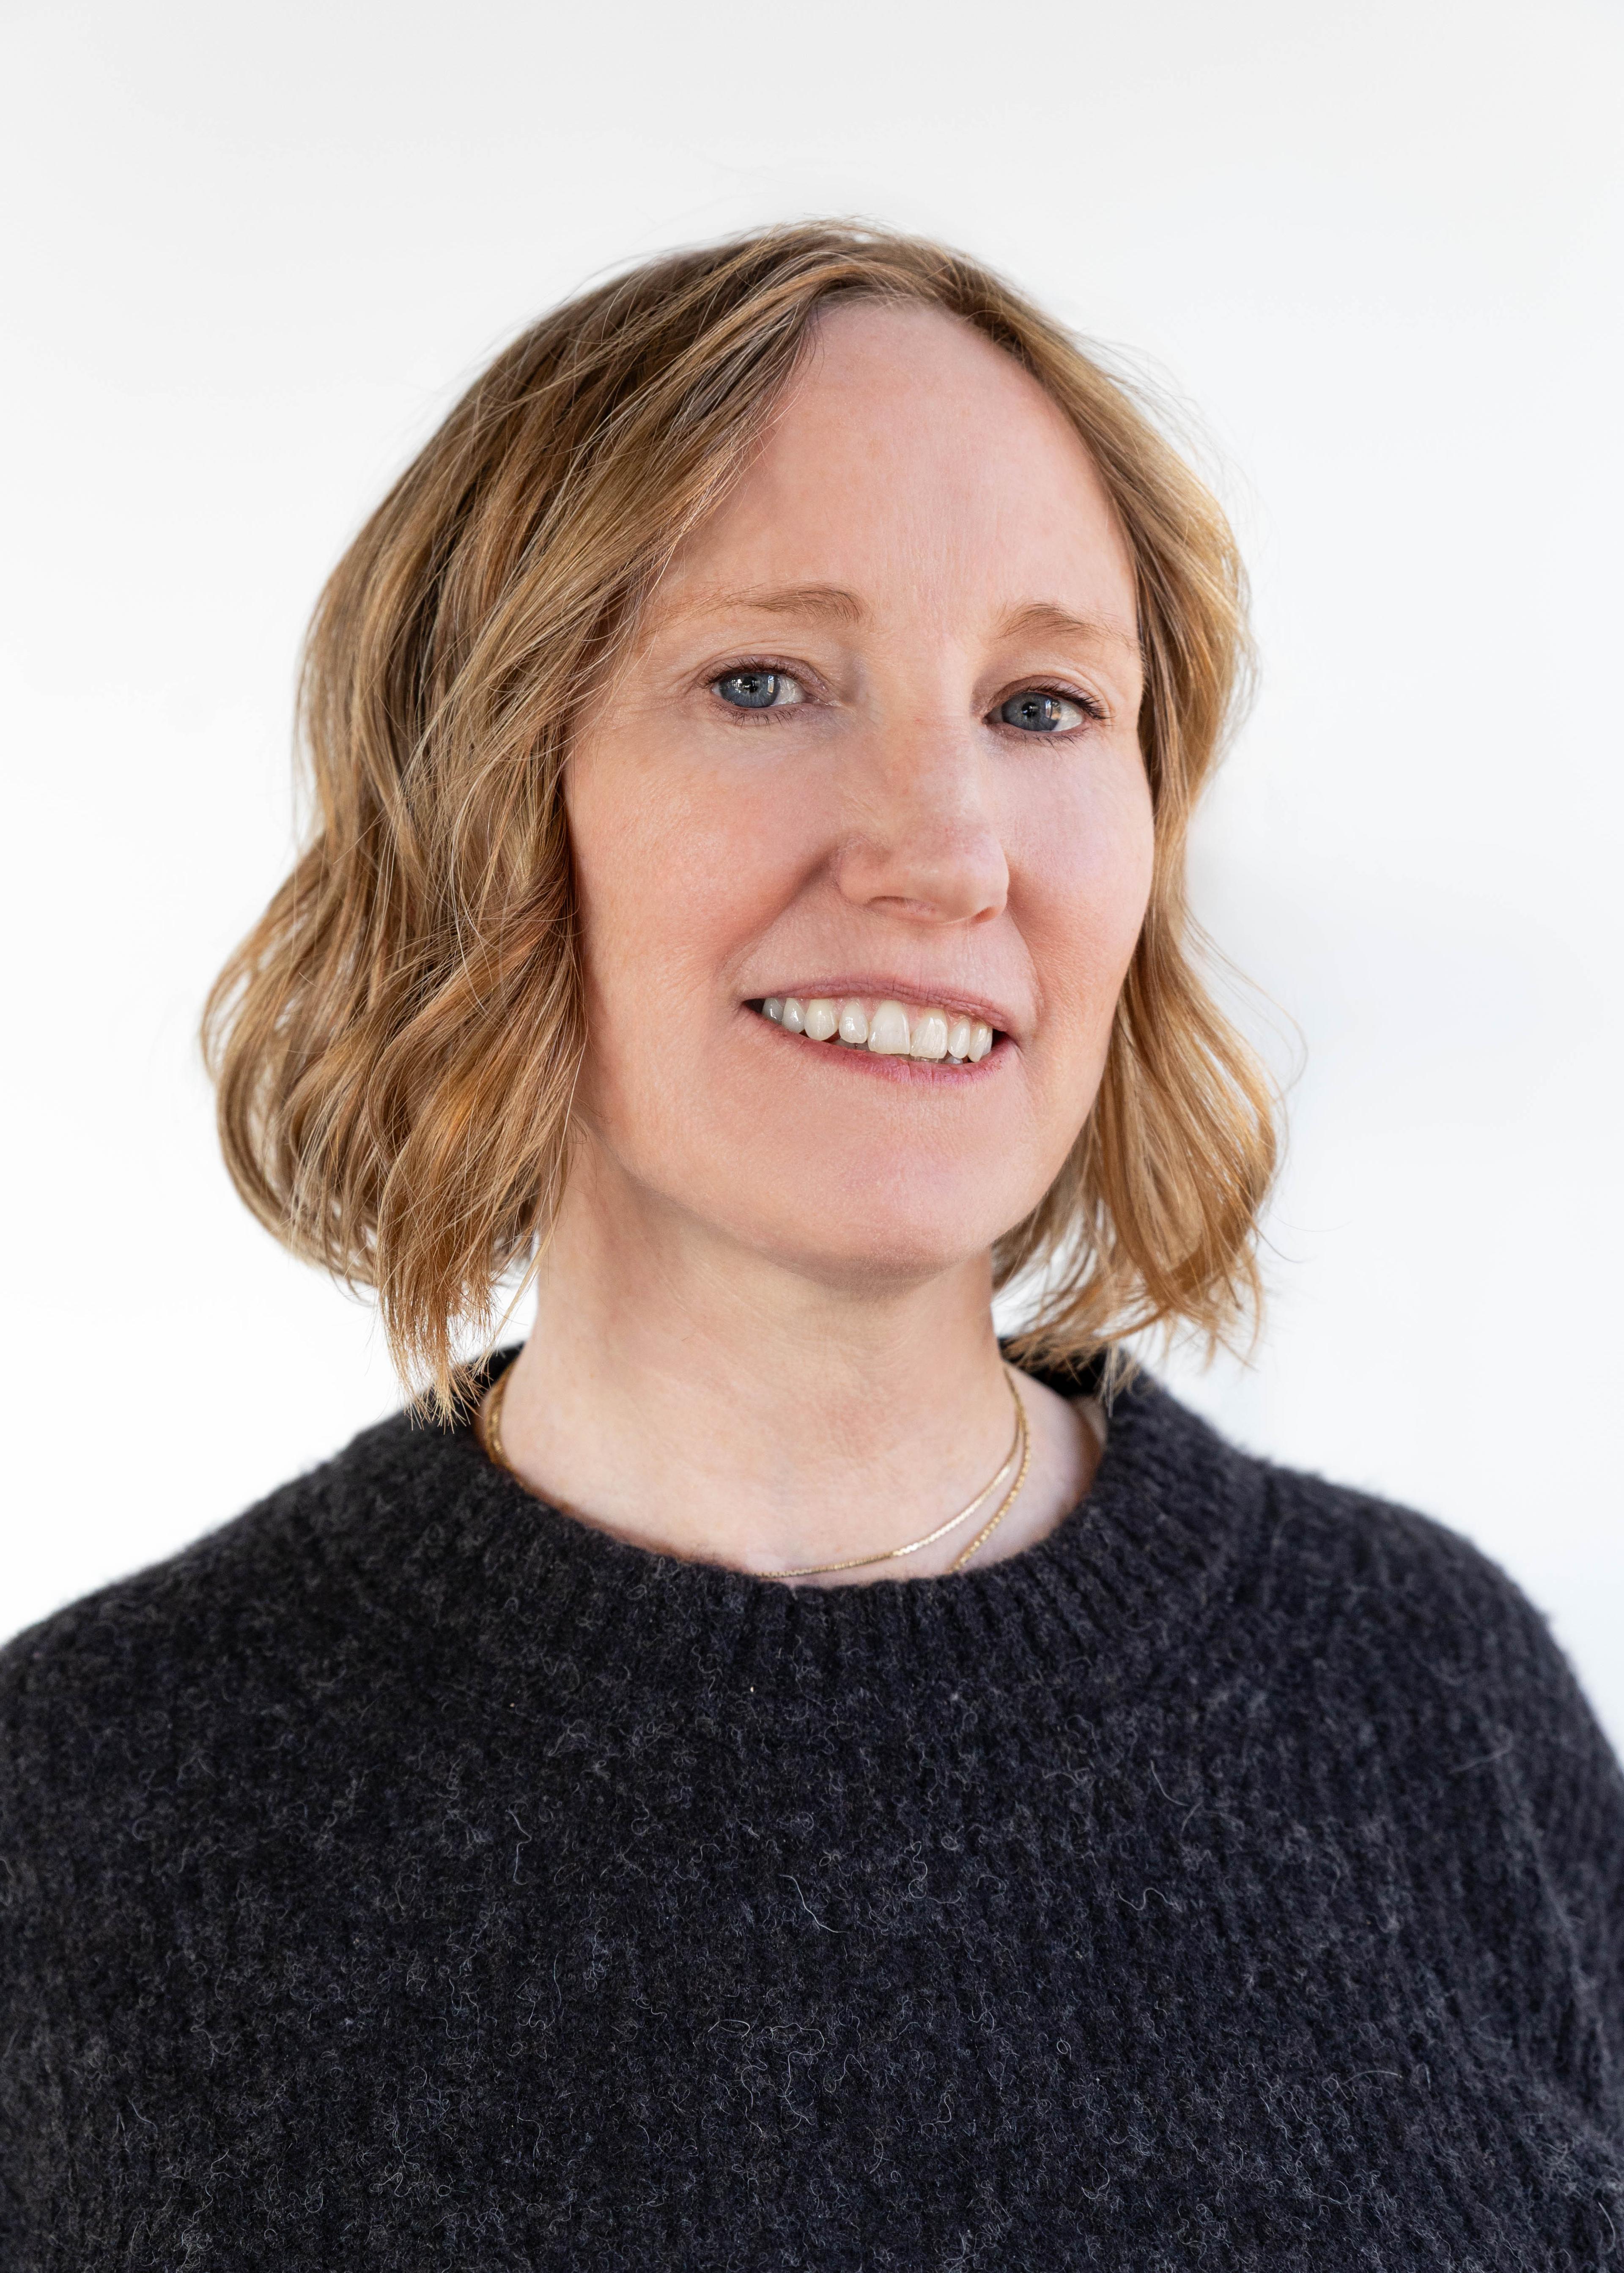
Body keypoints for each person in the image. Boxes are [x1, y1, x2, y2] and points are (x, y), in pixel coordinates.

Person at [2, 223, 1619, 2270]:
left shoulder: (1431, 1695)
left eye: (1044, 704)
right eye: (764, 680)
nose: (944, 849)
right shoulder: (89, 1811)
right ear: (488, 804)